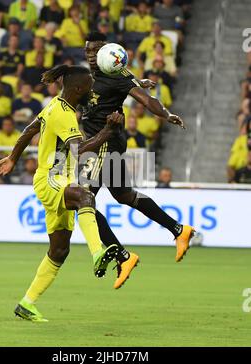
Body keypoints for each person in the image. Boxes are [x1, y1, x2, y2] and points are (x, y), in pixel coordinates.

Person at [0, 65, 123, 322]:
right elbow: (79, 149)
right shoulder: (63, 114)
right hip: (52, 179)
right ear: (78, 89)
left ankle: (26, 304)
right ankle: (97, 253)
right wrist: (108, 131)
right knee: (86, 197)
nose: (92, 90)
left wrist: (12, 158)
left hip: (59, 179)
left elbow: (30, 129)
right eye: (89, 87)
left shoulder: (55, 104)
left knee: (59, 250)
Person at [82, 32, 195, 289]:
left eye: (95, 50)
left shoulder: (116, 75)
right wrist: (138, 80)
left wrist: (166, 115)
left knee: (82, 202)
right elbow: (130, 83)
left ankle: (122, 257)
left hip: (103, 144)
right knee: (124, 195)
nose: (91, 55)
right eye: (87, 50)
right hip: (105, 143)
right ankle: (178, 230)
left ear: (106, 50)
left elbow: (146, 100)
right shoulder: (103, 74)